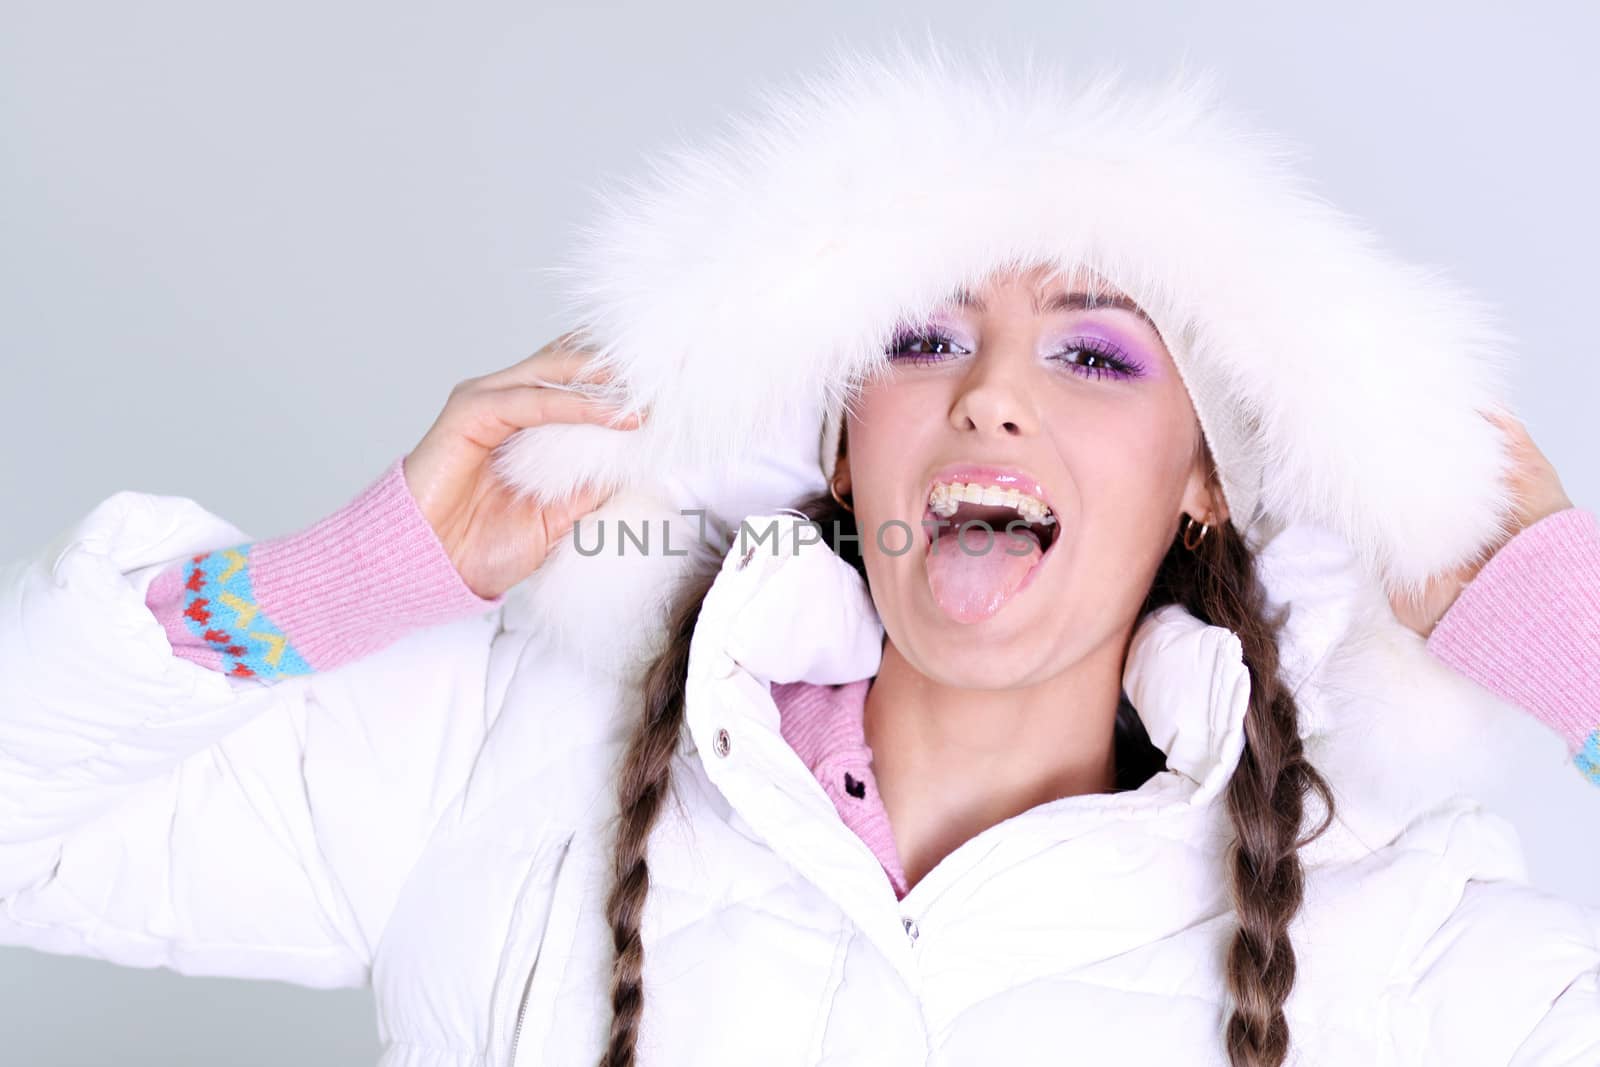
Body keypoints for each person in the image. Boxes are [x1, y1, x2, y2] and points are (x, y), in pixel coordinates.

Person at [4, 43, 1599, 1067]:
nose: (989, 399)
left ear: (1210, 488)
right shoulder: (490, 770)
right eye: (923, 342)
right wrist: (351, 578)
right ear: (841, 450)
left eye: (1095, 358)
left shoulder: (1395, 941)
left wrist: (1572, 637)